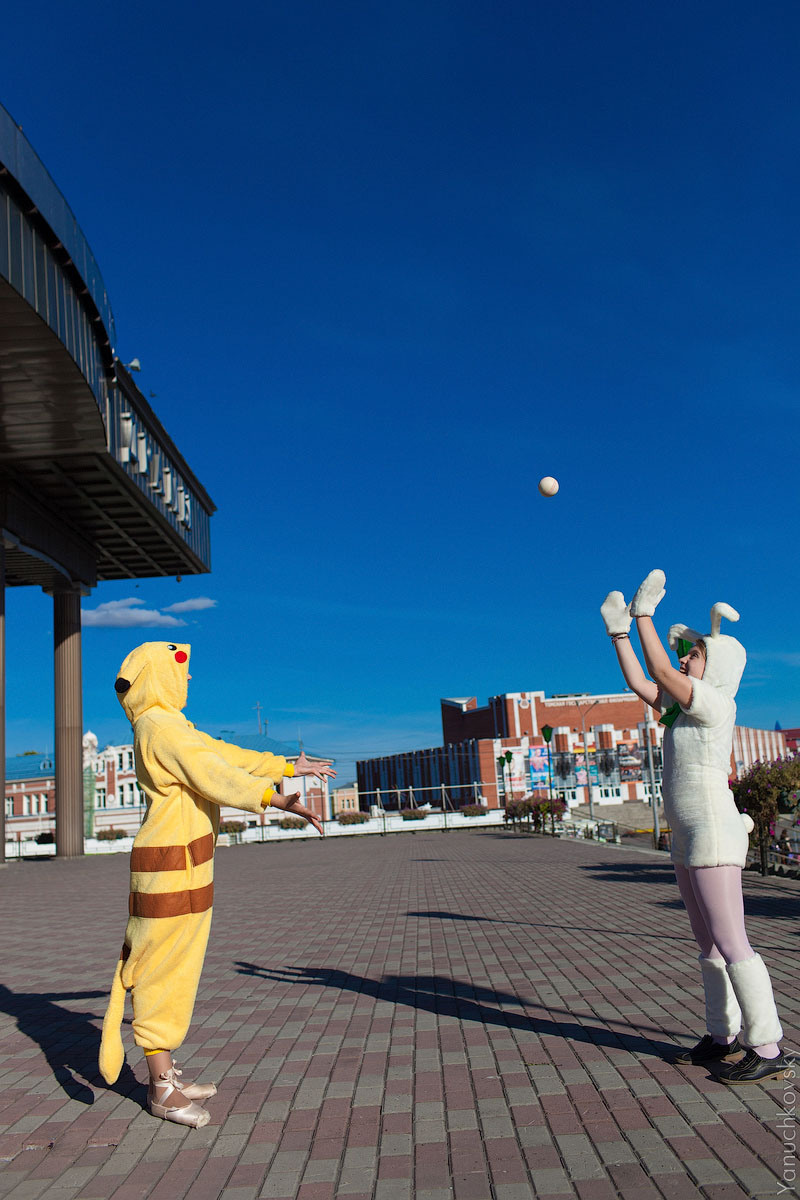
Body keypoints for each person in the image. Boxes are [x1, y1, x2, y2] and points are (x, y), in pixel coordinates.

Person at [98, 641, 335, 1126]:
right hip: (168, 867)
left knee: (177, 966)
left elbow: (218, 752)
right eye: (179, 670)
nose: (188, 679)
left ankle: (164, 1076)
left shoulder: (172, 724)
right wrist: (272, 797)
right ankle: (161, 1090)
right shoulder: (158, 727)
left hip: (184, 864)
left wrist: (286, 766)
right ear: (158, 674)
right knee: (163, 969)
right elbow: (209, 772)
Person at [601, 571, 788, 1084]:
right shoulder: (681, 713)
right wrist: (620, 633)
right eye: (687, 654)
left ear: (717, 666)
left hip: (713, 831)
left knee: (733, 943)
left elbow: (659, 668)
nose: (685, 658)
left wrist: (644, 616)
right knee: (707, 946)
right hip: (687, 837)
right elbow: (643, 683)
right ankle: (721, 1035)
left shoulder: (714, 702)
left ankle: (768, 1046)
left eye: (695, 654)